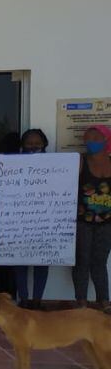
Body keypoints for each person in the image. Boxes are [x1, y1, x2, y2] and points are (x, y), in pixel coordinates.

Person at [74, 125, 111, 312]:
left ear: (106, 140)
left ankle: (104, 301)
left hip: (107, 222)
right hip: (83, 221)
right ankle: (81, 301)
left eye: (96, 138)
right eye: (88, 139)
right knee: (82, 260)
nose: (91, 142)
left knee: (100, 261)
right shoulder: (81, 161)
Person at [13, 129, 50, 309]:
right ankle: (24, 299)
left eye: (37, 143)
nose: (33, 146)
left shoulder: (57, 165)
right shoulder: (11, 165)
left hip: (48, 221)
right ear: (22, 145)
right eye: (29, 143)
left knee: (42, 262)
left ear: (44, 144)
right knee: (20, 261)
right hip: (19, 220)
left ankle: (37, 300)